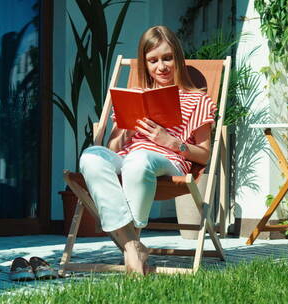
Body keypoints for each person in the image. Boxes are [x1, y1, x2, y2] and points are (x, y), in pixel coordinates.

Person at [79, 25, 216, 275]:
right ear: (145, 64)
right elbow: (112, 148)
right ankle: (133, 246)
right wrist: (124, 133)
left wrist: (172, 142)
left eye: (167, 58)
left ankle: (131, 241)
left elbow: (205, 154)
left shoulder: (198, 99)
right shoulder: (133, 97)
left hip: (169, 159)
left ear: (178, 57)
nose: (161, 66)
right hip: (128, 157)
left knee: (139, 159)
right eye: (153, 61)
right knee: (91, 157)